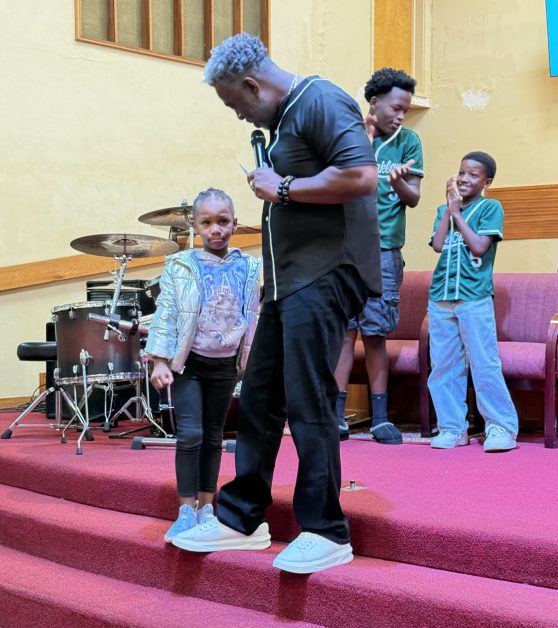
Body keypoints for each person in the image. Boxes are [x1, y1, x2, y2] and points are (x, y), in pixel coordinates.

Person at [171, 33, 381, 574]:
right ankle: (242, 518)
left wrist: (283, 188)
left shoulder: (320, 99)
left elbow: (362, 176)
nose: (239, 116)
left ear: (251, 85)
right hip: (289, 281)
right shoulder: (284, 120)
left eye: (235, 104)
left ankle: (326, 530)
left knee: (309, 400)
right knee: (260, 396)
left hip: (327, 271)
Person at [145, 187, 261, 542]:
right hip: (189, 364)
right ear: (194, 226)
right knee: (190, 434)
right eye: (206, 223)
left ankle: (207, 506)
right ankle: (186, 508)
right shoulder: (181, 265)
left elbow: (254, 315)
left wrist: (251, 360)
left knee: (213, 436)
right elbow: (166, 313)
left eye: (223, 222)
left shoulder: (249, 266)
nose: (215, 230)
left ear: (235, 224)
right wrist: (159, 360)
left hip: (225, 365)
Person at [334, 67, 423, 444]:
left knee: (375, 334)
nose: (401, 115)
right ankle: (336, 416)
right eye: (396, 108)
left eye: (405, 110)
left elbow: (413, 198)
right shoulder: (350, 135)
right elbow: (337, 184)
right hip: (344, 248)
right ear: (374, 102)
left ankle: (381, 418)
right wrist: (365, 141)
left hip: (384, 251)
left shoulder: (410, 141)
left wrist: (399, 181)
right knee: (344, 332)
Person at [428, 151, 518, 451]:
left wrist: (457, 215)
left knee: (484, 363)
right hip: (441, 298)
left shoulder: (490, 207)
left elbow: (479, 247)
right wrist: (448, 210)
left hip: (474, 298)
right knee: (443, 366)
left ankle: (501, 427)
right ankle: (453, 428)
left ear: (486, 182)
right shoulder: (444, 209)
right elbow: (438, 245)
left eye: (473, 175)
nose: (464, 179)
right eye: (461, 172)